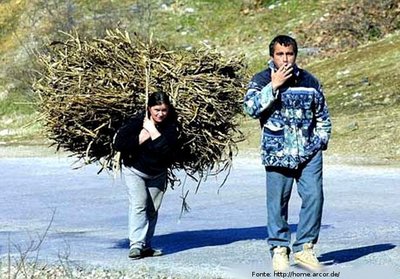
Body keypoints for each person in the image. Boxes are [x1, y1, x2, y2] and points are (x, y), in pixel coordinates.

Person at [243, 35, 332, 271]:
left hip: (309, 151)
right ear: (272, 56)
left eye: (289, 54)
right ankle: (280, 249)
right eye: (280, 54)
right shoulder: (261, 79)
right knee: (277, 204)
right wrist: (274, 85)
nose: (285, 59)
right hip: (278, 152)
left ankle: (305, 249)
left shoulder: (309, 80)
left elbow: (322, 114)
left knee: (314, 197)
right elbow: (250, 109)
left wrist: (322, 139)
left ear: (295, 55)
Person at [113, 91, 179, 259]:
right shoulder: (137, 121)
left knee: (152, 210)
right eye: (156, 109)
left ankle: (146, 246)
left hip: (158, 173)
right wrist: (140, 138)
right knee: (139, 204)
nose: (160, 114)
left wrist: (153, 132)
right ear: (149, 108)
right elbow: (118, 144)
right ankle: (136, 245)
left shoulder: (172, 126)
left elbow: (168, 153)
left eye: (164, 110)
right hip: (135, 171)